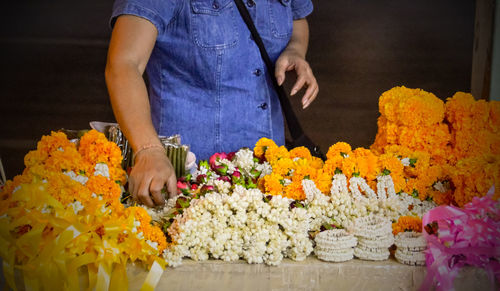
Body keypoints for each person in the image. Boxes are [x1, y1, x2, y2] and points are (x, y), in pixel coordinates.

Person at [105, 0, 319, 207]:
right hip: (187, 183)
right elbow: (124, 64)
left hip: (269, 179)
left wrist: (295, 50)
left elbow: (297, 19)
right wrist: (148, 150)